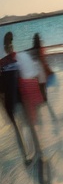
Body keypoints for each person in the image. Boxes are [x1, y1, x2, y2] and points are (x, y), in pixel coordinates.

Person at [1, 32, 31, 162]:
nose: (11, 48)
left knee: (20, 127)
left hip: (12, 100)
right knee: (24, 125)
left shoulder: (8, 62)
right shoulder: (14, 61)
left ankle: (27, 155)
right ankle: (28, 154)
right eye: (10, 46)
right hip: (14, 99)